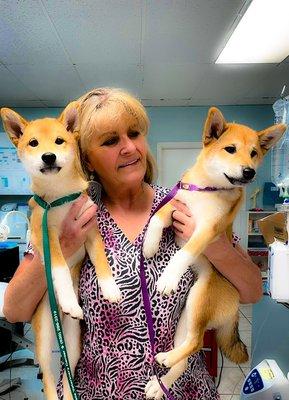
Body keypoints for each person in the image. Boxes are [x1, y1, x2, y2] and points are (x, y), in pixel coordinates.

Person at [3, 88, 263, 399]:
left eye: (134, 133)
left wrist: (211, 244)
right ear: (85, 155)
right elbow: (14, 310)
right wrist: (63, 245)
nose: (129, 147)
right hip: (101, 390)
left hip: (182, 389)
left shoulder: (183, 201)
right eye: (111, 141)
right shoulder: (71, 213)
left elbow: (252, 291)